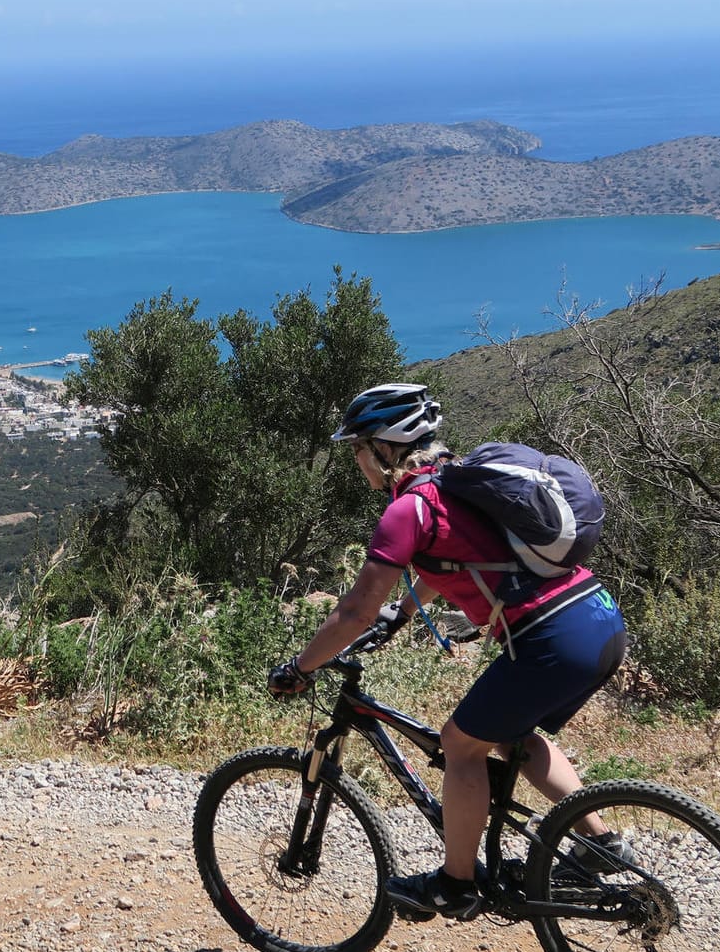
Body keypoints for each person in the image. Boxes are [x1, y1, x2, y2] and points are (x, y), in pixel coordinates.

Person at [269, 383, 630, 920]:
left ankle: (455, 885)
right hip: (598, 619)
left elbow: (354, 612)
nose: (357, 463)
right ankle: (601, 846)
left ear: (382, 449)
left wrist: (301, 667)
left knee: (461, 745)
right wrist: (407, 613)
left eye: (357, 451)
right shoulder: (459, 481)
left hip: (551, 636)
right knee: (510, 738)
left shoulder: (407, 509)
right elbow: (462, 558)